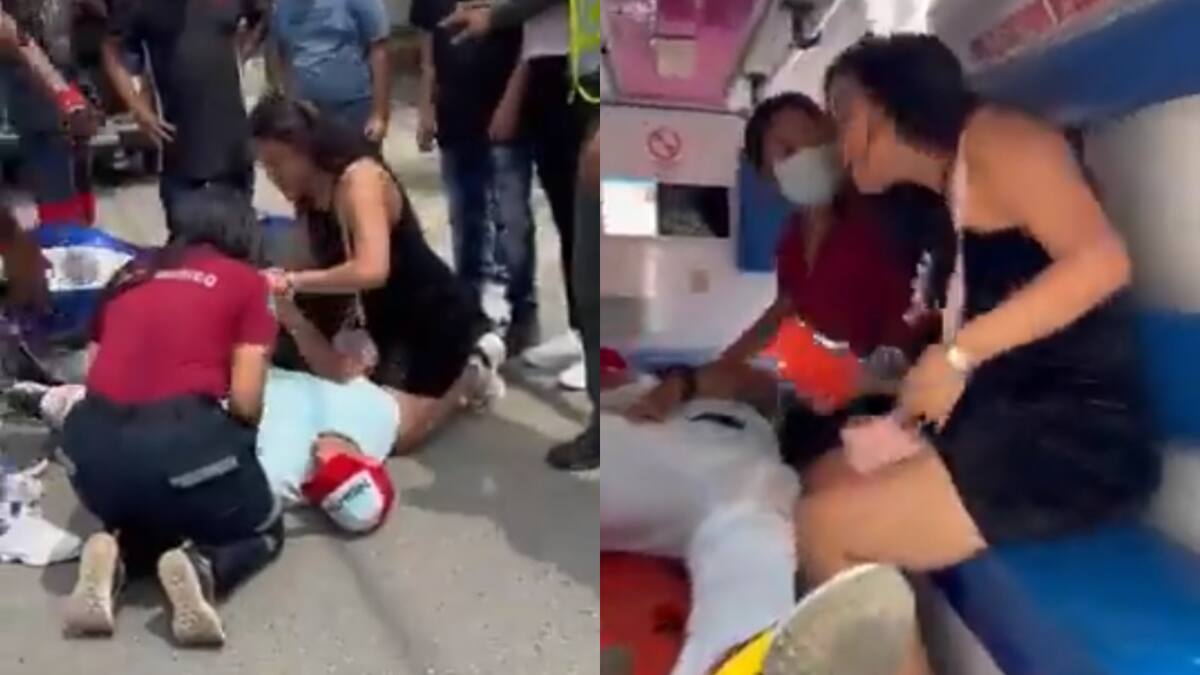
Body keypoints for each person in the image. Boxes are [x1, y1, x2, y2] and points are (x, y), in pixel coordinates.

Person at [792, 34, 1161, 675]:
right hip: (1010, 420)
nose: (837, 143)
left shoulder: (1001, 140)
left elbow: (1101, 262)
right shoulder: (944, 197)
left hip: (1076, 442)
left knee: (825, 526)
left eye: (843, 115)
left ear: (887, 104)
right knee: (824, 479)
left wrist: (957, 357)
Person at [628, 93, 931, 475]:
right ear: (766, 175)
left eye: (816, 138)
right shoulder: (792, 241)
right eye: (788, 150)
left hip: (911, 388)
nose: (809, 154)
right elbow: (781, 311)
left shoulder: (878, 211)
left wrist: (877, 383)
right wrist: (712, 373)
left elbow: (925, 307)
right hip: (848, 393)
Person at [59, 188, 283, 647]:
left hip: (90, 454)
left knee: (159, 510)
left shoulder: (128, 274)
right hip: (179, 441)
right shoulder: (246, 282)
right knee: (264, 524)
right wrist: (236, 451)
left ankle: (117, 553)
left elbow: (94, 372)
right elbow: (246, 402)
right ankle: (206, 569)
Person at [249, 95, 504, 456]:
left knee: (398, 437)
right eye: (265, 167)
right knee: (358, 406)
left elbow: (372, 269)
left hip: (433, 314)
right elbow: (308, 259)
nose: (273, 176)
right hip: (383, 318)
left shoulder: (360, 179)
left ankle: (474, 369)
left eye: (277, 163)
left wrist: (294, 282)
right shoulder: (308, 193)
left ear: (304, 148)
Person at [442, 0, 602, 469]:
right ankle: (590, 352)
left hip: (603, 101)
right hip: (576, 88)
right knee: (581, 247)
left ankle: (611, 404)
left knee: (604, 260)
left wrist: (494, 17)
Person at [409, 0, 531, 339]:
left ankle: (521, 306)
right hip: (455, 114)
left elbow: (530, 48)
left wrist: (510, 105)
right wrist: (426, 108)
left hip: (505, 118)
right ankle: (470, 302)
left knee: (511, 219)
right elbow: (429, 52)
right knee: (465, 215)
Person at [102, 0, 267, 224]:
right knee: (190, 240)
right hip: (182, 155)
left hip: (235, 152)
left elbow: (260, 17)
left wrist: (241, 53)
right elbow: (112, 48)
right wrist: (138, 107)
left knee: (239, 235)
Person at [0, 2, 99, 226]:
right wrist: (62, 92)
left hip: (62, 63)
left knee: (75, 151)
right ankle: (62, 231)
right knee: (49, 146)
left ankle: (74, 229)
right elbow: (10, 34)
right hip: (25, 74)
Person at [268, 0, 393, 143]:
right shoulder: (283, 6)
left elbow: (379, 50)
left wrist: (379, 114)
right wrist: (289, 101)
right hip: (305, 112)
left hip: (352, 108)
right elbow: (281, 54)